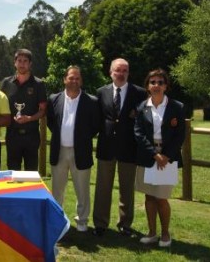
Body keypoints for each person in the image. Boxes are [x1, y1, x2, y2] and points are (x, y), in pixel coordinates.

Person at [93, 58, 146, 236]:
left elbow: (143, 120)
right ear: (111, 72)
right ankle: (100, 224)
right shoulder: (101, 92)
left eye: (124, 70)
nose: (121, 73)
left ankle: (125, 224)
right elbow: (98, 120)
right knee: (103, 188)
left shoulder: (139, 93)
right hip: (106, 147)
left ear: (128, 73)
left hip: (129, 148)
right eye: (118, 70)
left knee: (127, 189)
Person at [135, 68, 186, 247]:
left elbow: (180, 135)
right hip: (148, 156)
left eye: (160, 82)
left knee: (161, 197)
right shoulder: (142, 107)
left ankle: (165, 233)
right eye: (153, 82)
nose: (156, 85)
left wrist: (166, 155)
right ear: (148, 86)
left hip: (167, 158)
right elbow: (139, 133)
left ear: (166, 86)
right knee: (149, 197)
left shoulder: (176, 107)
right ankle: (151, 233)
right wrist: (154, 154)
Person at [47, 65, 99, 232]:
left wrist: (81, 138)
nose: (74, 81)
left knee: (82, 189)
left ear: (81, 80)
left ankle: (82, 221)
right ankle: (57, 219)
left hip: (81, 151)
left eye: (77, 78)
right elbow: (50, 122)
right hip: (59, 150)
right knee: (57, 190)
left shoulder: (91, 101)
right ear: (65, 79)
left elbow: (94, 126)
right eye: (71, 78)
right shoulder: (54, 99)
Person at [0, 49, 47, 171]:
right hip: (12, 135)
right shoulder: (6, 83)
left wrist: (29, 118)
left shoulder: (38, 84)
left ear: (30, 64)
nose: (22, 64)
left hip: (31, 136)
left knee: (31, 174)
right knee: (12, 173)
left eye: (25, 61)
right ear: (14, 63)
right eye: (19, 60)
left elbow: (43, 110)